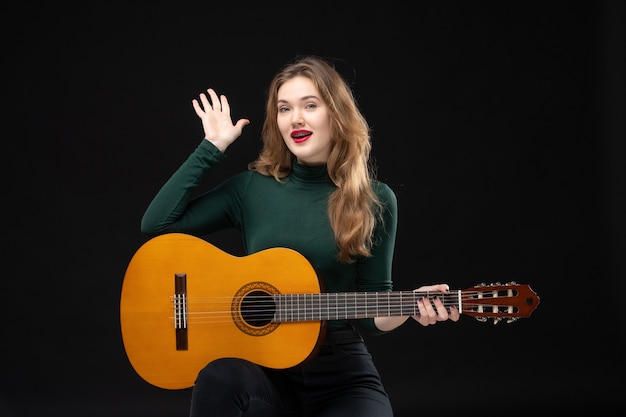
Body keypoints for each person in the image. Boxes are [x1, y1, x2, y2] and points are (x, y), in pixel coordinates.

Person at [141, 55, 460, 417]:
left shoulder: (376, 200)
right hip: (264, 373)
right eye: (284, 108)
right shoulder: (250, 190)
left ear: (335, 114)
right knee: (218, 375)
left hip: (340, 374)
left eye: (310, 105)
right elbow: (157, 224)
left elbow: (373, 317)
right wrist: (212, 147)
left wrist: (411, 307)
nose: (295, 118)